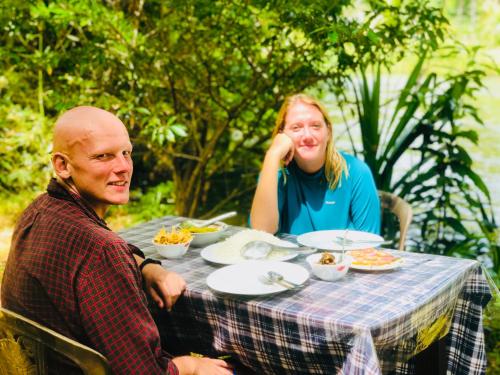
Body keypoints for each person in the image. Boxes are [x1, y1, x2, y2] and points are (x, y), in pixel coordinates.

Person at [1, 106, 232, 375]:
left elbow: (102, 251)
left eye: (126, 153)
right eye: (103, 156)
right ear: (62, 165)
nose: (123, 167)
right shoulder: (101, 251)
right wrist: (192, 365)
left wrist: (145, 266)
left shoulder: (39, 210)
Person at [250, 93, 380, 235]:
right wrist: (273, 154)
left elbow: (369, 243)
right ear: (282, 135)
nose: (307, 136)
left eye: (315, 126)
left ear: (328, 132)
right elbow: (261, 232)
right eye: (296, 128)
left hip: (344, 257)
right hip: (292, 257)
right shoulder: (275, 173)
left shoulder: (355, 171)